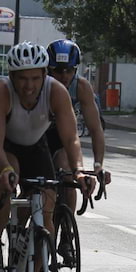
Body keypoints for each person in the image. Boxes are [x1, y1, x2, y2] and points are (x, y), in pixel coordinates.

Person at [0, 41, 93, 272]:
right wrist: (6, 169)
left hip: (35, 145)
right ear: (12, 76)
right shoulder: (2, 91)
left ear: (44, 74)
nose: (29, 86)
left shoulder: (56, 92)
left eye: (35, 78)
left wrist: (79, 171)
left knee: (46, 211)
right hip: (4, 147)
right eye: (22, 79)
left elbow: (71, 138)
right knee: (7, 181)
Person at [46, 39, 112, 211]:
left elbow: (96, 130)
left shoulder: (81, 87)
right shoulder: (40, 84)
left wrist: (98, 165)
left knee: (67, 173)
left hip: (64, 137)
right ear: (48, 69)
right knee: (37, 184)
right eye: (58, 71)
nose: (64, 76)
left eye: (70, 70)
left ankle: (67, 229)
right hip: (38, 135)